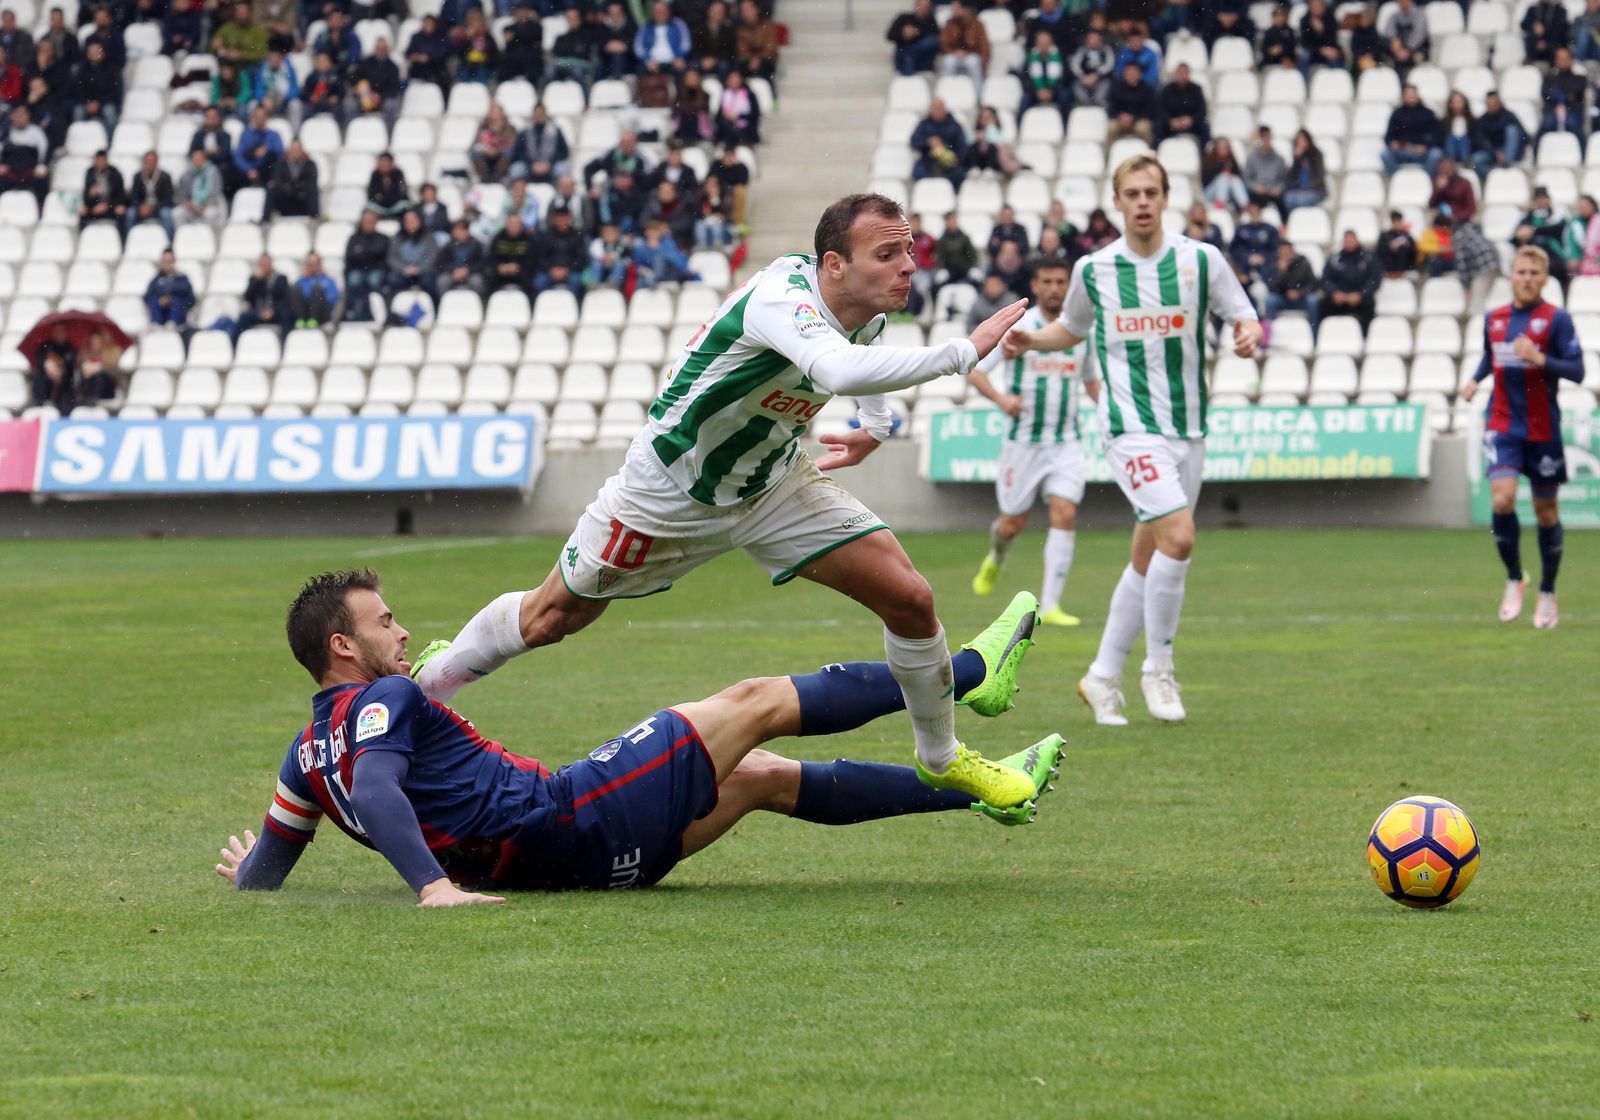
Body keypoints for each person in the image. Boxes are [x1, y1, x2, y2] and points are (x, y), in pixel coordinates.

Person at [411, 193, 1044, 810]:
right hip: (670, 492)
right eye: (888, 253)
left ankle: (942, 759)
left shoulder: (866, 304)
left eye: (909, 250)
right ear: (833, 264)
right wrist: (966, 350)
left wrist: (874, 428)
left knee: (910, 598)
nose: (908, 265)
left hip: (773, 483)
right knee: (549, 619)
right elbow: (839, 372)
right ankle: (427, 687)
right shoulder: (780, 297)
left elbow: (864, 352)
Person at [212, 570, 1065, 903]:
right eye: (384, 622)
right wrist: (433, 890)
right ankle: (973, 674)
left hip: (578, 869)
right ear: (341, 648)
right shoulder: (385, 698)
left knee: (762, 775)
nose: (400, 634)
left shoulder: (304, 752)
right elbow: (376, 790)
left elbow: (273, 867)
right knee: (757, 699)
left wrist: (248, 873)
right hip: (573, 815)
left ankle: (974, 790)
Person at [1000, 155, 1262, 725]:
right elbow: (1070, 328)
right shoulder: (1094, 270)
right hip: (1128, 424)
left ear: (1165, 198)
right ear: (1116, 202)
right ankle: (1158, 670)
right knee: (1181, 537)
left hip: (1188, 427)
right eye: (1131, 193)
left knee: (1149, 557)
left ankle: (1100, 677)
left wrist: (1246, 332)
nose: (1142, 202)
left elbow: (1243, 315)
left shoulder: (1201, 261)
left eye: (1151, 192)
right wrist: (1030, 340)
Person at [967, 259, 1102, 627]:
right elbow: (975, 371)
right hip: (1022, 444)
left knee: (1065, 511)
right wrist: (1002, 400)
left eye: (1062, 281)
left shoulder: (1081, 331)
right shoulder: (1018, 328)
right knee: (1012, 523)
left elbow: (1091, 381)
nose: (1056, 287)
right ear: (1036, 285)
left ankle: (1051, 604)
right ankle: (996, 557)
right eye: (1048, 281)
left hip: (1066, 442)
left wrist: (1109, 410)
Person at [1460, 246, 1582, 629]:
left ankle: (1547, 591)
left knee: (1547, 513)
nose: (1527, 278)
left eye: (1534, 272)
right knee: (1502, 499)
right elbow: (1488, 356)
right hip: (1502, 423)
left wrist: (1540, 358)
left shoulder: (1556, 320)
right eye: (1521, 271)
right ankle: (1515, 578)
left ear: (1544, 279)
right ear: (1511, 276)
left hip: (1543, 428)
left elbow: (1577, 370)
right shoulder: (1494, 319)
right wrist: (1475, 379)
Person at [1319, 230, 1381, 332]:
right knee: (1323, 304)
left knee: (1369, 304)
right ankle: (1325, 334)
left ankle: (1366, 336)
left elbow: (1374, 280)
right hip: (1339, 298)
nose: (1349, 243)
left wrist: (1361, 294)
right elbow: (1325, 279)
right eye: (1347, 240)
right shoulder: (1335, 258)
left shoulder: (1369, 258)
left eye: (1351, 240)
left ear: (1357, 240)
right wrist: (1334, 292)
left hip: (1360, 298)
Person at [1381, 84, 1443, 175]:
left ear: (1418, 96)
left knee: (1436, 154)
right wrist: (1392, 143)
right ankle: (1397, 178)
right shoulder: (1396, 114)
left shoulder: (1428, 114)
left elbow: (1437, 136)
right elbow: (1388, 136)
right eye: (1408, 95)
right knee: (1385, 154)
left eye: (1413, 95)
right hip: (1402, 151)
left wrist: (1425, 146)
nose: (1411, 98)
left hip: (1422, 152)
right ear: (1403, 97)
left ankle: (1426, 178)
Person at [342, 209, 390, 321]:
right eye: (366, 221)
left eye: (371, 221)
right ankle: (355, 312)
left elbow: (382, 255)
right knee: (355, 280)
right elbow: (351, 256)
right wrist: (371, 253)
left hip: (376, 270)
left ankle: (376, 314)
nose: (368, 224)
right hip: (357, 269)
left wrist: (362, 251)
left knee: (374, 281)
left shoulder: (383, 238)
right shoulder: (354, 238)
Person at [936, 0, 988, 92]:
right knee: (949, 62)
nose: (954, 10)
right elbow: (944, 43)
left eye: (957, 8)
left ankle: (978, 97)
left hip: (971, 55)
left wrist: (983, 62)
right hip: (953, 54)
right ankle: (945, 93)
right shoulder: (949, 24)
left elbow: (984, 46)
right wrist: (953, 52)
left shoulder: (977, 24)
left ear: (965, 9)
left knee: (974, 62)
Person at [174, 146, 225, 228]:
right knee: (177, 213)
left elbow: (216, 192)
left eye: (200, 159)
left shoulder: (213, 173)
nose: (197, 161)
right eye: (195, 159)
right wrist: (190, 204)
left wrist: (204, 205)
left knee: (210, 214)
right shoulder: (186, 175)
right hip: (191, 207)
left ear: (205, 159)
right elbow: (180, 195)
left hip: (209, 205)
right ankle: (182, 236)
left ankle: (207, 238)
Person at [145, 250, 197, 329]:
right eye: (165, 261)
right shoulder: (156, 280)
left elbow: (191, 299)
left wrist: (171, 299)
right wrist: (161, 300)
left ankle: (172, 324)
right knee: (154, 300)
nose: (167, 264)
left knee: (177, 301)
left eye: (169, 261)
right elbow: (147, 297)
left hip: (177, 315)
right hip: (160, 313)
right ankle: (156, 325)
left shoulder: (182, 279)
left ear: (174, 261)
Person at [887, 0, 940, 76]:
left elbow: (934, 39)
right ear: (916, 5)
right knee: (908, 54)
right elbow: (890, 35)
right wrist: (903, 34)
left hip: (922, 58)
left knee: (928, 43)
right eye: (922, 6)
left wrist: (916, 33)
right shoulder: (904, 18)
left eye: (926, 7)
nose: (923, 9)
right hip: (904, 55)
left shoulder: (930, 21)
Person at [78, 149, 127, 229]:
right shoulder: (89, 174)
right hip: (94, 208)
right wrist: (91, 195)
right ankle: (82, 237)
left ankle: (122, 239)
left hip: (111, 207)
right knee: (82, 212)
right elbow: (85, 198)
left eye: (103, 160)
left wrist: (108, 205)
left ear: (107, 160)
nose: (101, 163)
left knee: (121, 211)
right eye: (98, 160)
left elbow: (121, 196)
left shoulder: (115, 174)